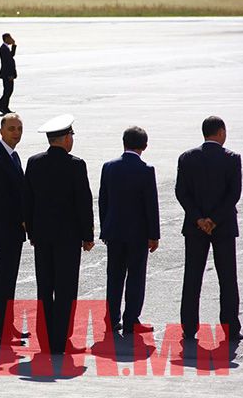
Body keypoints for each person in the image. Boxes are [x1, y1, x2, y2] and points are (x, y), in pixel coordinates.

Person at [24, 114, 94, 354]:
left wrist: (32, 232)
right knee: (66, 289)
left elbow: (28, 201)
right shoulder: (76, 165)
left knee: (45, 288)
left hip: (42, 237)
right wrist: (87, 236)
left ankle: (45, 338)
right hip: (68, 238)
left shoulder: (34, 162)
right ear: (65, 139)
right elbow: (83, 202)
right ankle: (61, 340)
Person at [176, 116, 242, 341]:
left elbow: (181, 192)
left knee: (192, 277)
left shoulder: (187, 158)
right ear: (221, 132)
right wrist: (214, 220)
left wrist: (199, 219)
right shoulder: (231, 158)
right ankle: (231, 328)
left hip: (195, 228)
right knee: (227, 278)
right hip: (223, 227)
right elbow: (233, 194)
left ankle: (189, 326)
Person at [99, 126, 160, 335]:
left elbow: (103, 201)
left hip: (114, 231)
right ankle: (131, 320)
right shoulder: (146, 170)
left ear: (124, 142)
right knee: (135, 277)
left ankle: (111, 319)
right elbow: (151, 205)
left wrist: (105, 228)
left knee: (114, 276)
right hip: (138, 234)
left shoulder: (109, 167)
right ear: (145, 145)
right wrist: (154, 235)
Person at [0, 113, 30, 343]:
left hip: (14, 229)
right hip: (6, 228)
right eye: (11, 128)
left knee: (10, 281)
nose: (16, 133)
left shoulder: (12, 155)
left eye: (19, 128)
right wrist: (23, 219)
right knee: (3, 281)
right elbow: (3, 200)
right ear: (1, 131)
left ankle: (8, 325)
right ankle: (1, 331)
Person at [0, 33, 17, 115]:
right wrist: (10, 75)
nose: (12, 39)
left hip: (8, 73)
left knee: (9, 91)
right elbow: (7, 63)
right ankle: (1, 105)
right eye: (10, 38)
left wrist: (14, 45)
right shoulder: (3, 48)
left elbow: (11, 56)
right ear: (6, 39)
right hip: (7, 74)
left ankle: (4, 106)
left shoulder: (5, 48)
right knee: (8, 91)